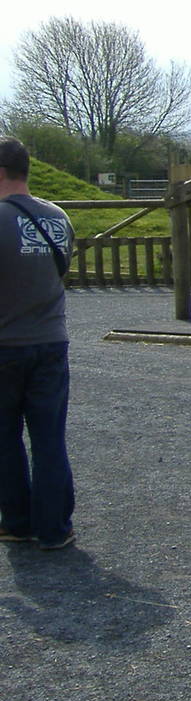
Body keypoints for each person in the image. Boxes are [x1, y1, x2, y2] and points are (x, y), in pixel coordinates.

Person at [0, 136, 79, 550]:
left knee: (6, 438)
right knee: (49, 437)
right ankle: (54, 527)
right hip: (51, 340)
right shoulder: (57, 216)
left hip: (5, 344)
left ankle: (16, 520)